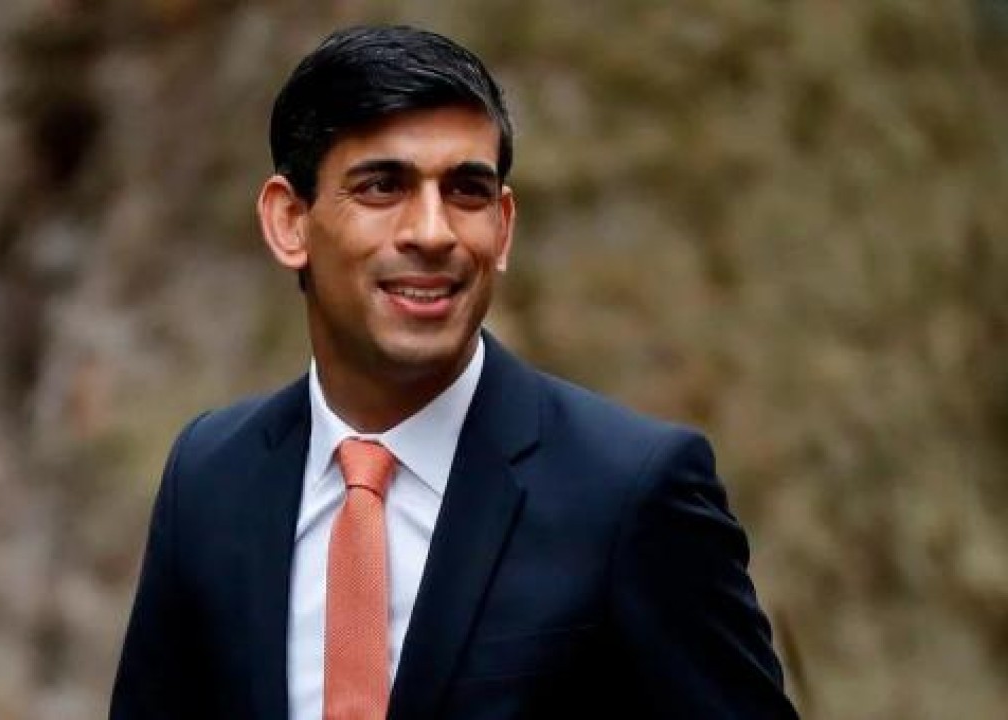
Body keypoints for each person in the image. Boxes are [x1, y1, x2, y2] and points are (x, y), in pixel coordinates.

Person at [110, 24, 799, 720]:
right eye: (383, 186)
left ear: (503, 226)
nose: (433, 232)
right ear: (290, 221)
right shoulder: (210, 477)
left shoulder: (630, 491)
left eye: (467, 191)